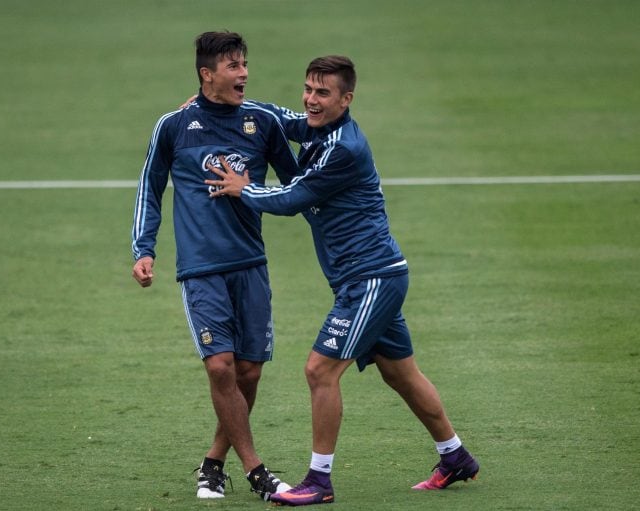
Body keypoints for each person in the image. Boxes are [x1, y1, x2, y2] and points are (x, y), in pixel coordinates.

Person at [204, 55, 479, 506]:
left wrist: (243, 188)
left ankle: (319, 481)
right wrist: (215, 102)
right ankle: (456, 457)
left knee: (320, 370)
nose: (311, 100)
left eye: (323, 93)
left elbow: (292, 198)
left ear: (346, 99)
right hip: (370, 277)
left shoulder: (343, 149)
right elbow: (277, 118)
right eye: (308, 89)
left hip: (369, 279)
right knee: (401, 374)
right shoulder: (317, 125)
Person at [130, 31, 299, 501]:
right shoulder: (174, 126)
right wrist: (144, 249)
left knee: (248, 373)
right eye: (233, 66)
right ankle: (257, 472)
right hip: (201, 269)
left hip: (252, 264)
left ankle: (212, 463)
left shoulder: (261, 121)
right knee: (221, 367)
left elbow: (297, 187)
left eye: (244, 64)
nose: (243, 73)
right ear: (208, 75)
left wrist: (250, 189)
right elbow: (150, 186)